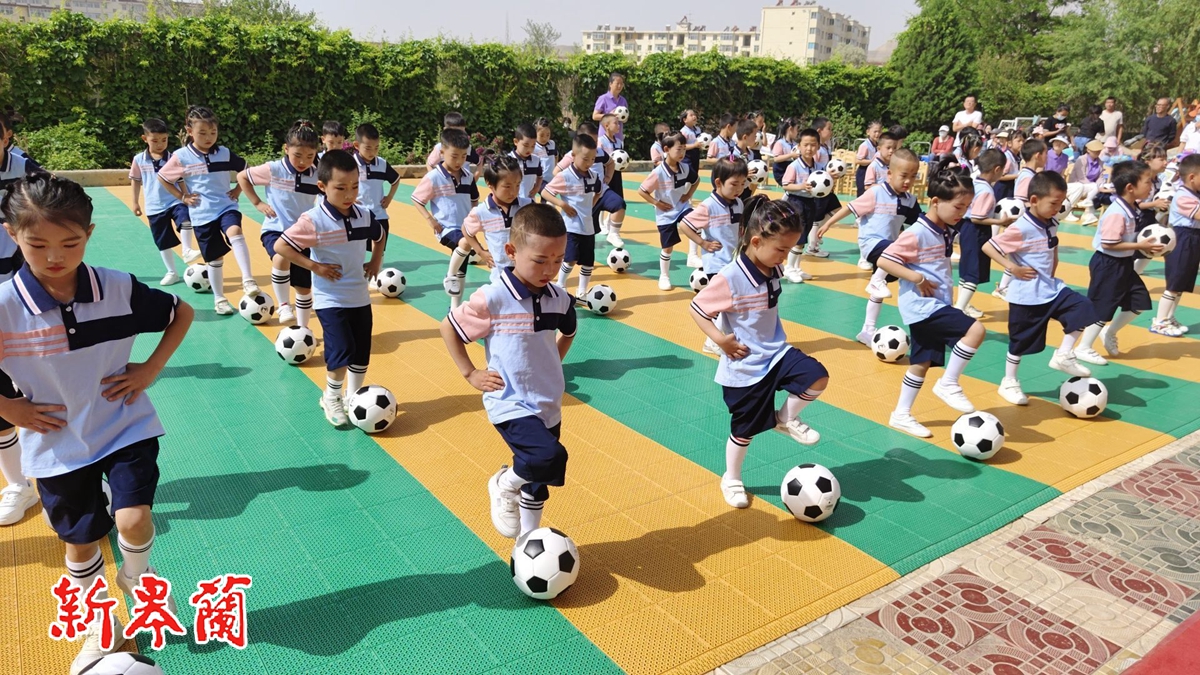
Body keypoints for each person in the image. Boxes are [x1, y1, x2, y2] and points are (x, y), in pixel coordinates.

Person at [0, 174, 194, 672]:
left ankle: (137, 576)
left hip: (122, 424)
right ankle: (98, 629)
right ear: (11, 234)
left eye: (71, 242)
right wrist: (9, 409)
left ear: (90, 233)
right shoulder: (3, 307)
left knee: (132, 519)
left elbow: (182, 312)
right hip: (55, 441)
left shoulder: (116, 287)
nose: (54, 256)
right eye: (36, 244)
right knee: (81, 540)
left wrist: (149, 369)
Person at [441, 203, 577, 540]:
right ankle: (503, 484)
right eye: (541, 260)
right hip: (509, 401)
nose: (550, 269)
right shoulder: (493, 298)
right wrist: (470, 373)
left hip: (547, 401)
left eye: (558, 260)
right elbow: (450, 327)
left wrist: (553, 364)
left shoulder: (559, 299)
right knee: (548, 456)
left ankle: (526, 540)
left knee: (539, 478)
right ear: (512, 251)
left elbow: (570, 330)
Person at [691, 198, 830, 508]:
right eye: (781, 249)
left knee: (817, 376)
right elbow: (697, 308)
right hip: (744, 367)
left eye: (790, 248)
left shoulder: (771, 264)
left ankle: (784, 419)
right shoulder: (731, 277)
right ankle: (732, 478)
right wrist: (720, 341)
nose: (786, 256)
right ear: (756, 241)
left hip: (776, 353)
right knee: (743, 432)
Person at [276, 150, 385, 426]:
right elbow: (281, 246)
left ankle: (353, 395)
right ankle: (332, 397)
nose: (349, 194)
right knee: (341, 350)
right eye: (341, 188)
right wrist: (315, 267)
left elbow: (380, 234)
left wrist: (375, 261)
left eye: (355, 186)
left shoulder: (364, 215)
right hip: (330, 297)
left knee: (361, 351)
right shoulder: (313, 220)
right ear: (322, 187)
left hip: (359, 294)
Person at [877, 170, 981, 437]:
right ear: (935, 202)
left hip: (932, 304)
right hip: (923, 307)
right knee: (976, 331)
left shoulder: (945, 229)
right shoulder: (917, 233)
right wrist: (917, 276)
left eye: (966, 207)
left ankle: (900, 414)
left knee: (920, 363)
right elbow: (884, 260)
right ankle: (948, 383)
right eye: (958, 206)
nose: (962, 212)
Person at [985, 171, 1099, 405]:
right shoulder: (1021, 228)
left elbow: (1052, 247)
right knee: (1019, 342)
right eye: (1054, 203)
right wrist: (1012, 267)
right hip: (1026, 294)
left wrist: (1054, 266)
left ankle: (1064, 354)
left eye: (1061, 203)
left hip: (1051, 288)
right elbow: (989, 246)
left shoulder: (1053, 222)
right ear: (1035, 200)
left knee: (1084, 309)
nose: (1058, 208)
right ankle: (1009, 381)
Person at [155, 105, 255, 316]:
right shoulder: (181, 156)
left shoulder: (225, 153)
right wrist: (182, 197)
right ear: (189, 131)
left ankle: (248, 280)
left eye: (213, 132)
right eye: (202, 133)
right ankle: (220, 299)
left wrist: (238, 189)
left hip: (226, 206)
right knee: (215, 259)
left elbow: (246, 169)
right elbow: (163, 178)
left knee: (235, 232)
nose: (209, 137)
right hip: (201, 215)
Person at [815, 148, 921, 343]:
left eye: (913, 177)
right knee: (899, 249)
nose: (908, 181)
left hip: (890, 254)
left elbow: (922, 223)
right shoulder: (876, 193)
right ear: (890, 174)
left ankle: (867, 330)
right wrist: (828, 223)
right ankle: (876, 281)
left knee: (877, 294)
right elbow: (850, 207)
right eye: (904, 176)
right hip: (872, 245)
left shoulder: (910, 201)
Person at [0, 116, 46, 528]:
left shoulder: (26, 169)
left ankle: (71, 474)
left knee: (47, 387)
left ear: (6, 135)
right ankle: (19, 485)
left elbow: (52, 208)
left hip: (24, 294)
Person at [236, 120, 322, 327]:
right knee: (281, 257)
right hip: (276, 230)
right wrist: (257, 202)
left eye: (310, 157)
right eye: (298, 155)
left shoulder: (317, 175)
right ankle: (284, 304)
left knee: (304, 287)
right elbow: (242, 177)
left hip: (303, 237)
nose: (303, 161)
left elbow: (328, 194)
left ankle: (303, 328)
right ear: (286, 149)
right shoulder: (273, 169)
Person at [1075, 161, 1161, 366]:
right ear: (1130, 187)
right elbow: (1109, 243)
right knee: (1103, 307)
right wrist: (1139, 245)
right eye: (1148, 182)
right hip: (1108, 264)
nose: (1151, 186)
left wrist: (1140, 246)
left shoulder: (1130, 207)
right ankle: (1083, 347)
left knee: (1139, 301)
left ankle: (1109, 331)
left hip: (1122, 264)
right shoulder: (1116, 212)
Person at [679, 158, 749, 353]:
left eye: (742, 184)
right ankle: (713, 342)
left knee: (732, 303)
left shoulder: (738, 203)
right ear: (718, 183)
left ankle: (725, 336)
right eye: (734, 184)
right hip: (717, 263)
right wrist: (703, 243)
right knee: (721, 304)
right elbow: (685, 225)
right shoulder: (708, 206)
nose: (739, 189)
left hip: (733, 262)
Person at [412, 128, 481, 309]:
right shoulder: (434, 177)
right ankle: (448, 275)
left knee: (462, 271)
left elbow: (475, 201)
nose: (459, 161)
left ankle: (454, 307)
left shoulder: (468, 177)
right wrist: (430, 220)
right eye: (454, 156)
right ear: (442, 153)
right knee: (464, 245)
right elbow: (417, 200)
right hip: (446, 228)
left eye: (464, 157)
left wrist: (475, 221)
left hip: (465, 228)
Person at [129, 118, 201, 287]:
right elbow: (135, 181)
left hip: (175, 201)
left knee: (185, 219)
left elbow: (181, 179)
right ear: (144, 138)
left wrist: (185, 196)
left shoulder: (174, 158)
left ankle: (187, 250)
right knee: (163, 241)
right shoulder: (139, 159)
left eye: (164, 140)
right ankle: (172, 272)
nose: (160, 144)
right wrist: (135, 202)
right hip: (154, 206)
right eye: (155, 140)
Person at [955, 149, 1017, 318]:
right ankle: (958, 311)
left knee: (966, 271)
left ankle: (963, 304)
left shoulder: (975, 183)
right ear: (997, 170)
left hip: (966, 230)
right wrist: (1000, 222)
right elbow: (977, 218)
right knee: (973, 274)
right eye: (1003, 170)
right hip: (976, 232)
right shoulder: (988, 192)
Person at [542, 134, 603, 302]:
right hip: (571, 226)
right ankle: (561, 285)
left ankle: (582, 291)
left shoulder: (593, 176)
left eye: (592, 159)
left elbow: (599, 191)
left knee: (588, 262)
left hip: (588, 226)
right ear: (573, 156)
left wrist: (591, 205)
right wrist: (562, 205)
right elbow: (546, 192)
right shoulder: (565, 176)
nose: (589, 162)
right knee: (570, 258)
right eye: (585, 159)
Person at [637, 132, 699, 291]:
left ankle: (692, 256)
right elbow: (642, 191)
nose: (682, 153)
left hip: (681, 207)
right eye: (679, 149)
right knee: (668, 247)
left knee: (694, 222)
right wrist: (657, 203)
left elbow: (696, 180)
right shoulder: (658, 172)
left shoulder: (685, 167)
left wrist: (688, 195)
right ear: (666, 149)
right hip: (665, 213)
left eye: (684, 149)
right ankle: (664, 275)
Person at [458, 156, 530, 292]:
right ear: (490, 184)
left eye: (517, 185)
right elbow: (466, 229)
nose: (513, 191)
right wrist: (480, 251)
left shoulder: (527, 206)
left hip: (526, 271)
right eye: (507, 186)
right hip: (500, 274)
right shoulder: (481, 212)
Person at [1151, 153, 1200, 337]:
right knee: (1174, 282)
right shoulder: (1183, 196)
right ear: (1192, 177)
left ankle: (1170, 317)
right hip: (1182, 238)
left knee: (1183, 282)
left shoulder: (1194, 193)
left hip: (1194, 237)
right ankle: (1160, 321)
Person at [780, 128, 825, 283]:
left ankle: (797, 267)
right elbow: (786, 185)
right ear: (799, 146)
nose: (809, 148)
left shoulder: (819, 167)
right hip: (796, 202)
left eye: (813, 145)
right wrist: (801, 186)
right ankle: (789, 268)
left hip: (811, 202)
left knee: (804, 235)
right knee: (798, 237)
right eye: (805, 145)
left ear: (818, 146)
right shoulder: (794, 166)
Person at [351, 123, 400, 253]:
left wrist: (389, 197)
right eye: (368, 148)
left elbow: (395, 180)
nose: (372, 152)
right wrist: (350, 198)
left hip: (379, 216)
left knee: (378, 251)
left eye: (376, 148)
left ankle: (377, 272)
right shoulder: (350, 164)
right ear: (356, 145)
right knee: (356, 251)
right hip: (356, 215)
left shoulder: (382, 164)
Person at [1065, 139, 1105, 225]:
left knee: (1097, 187)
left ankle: (1088, 213)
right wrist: (1095, 186)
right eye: (1095, 150)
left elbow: (1100, 177)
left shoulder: (1100, 162)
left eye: (1098, 150)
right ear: (1088, 150)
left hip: (1092, 189)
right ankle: (1086, 209)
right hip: (1078, 186)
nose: (1097, 152)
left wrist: (1099, 185)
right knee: (1094, 187)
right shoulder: (1081, 159)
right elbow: (1081, 177)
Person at [509, 123, 544, 200]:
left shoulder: (536, 160)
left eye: (533, 146)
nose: (529, 149)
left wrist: (537, 188)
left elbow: (540, 176)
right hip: (512, 201)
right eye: (526, 145)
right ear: (516, 142)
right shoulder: (508, 159)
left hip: (529, 201)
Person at [592, 72, 627, 144]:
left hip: (618, 138)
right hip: (604, 138)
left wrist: (622, 117)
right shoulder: (603, 98)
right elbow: (595, 116)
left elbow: (625, 120)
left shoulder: (623, 100)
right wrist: (609, 116)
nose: (620, 86)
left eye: (621, 84)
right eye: (617, 83)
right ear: (610, 84)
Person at [854, 121, 882, 196]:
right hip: (864, 172)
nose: (877, 134)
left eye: (879, 132)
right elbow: (857, 161)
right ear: (868, 132)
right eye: (875, 131)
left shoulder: (878, 145)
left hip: (873, 172)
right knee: (863, 195)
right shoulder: (865, 145)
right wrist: (872, 161)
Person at [770, 118, 799, 187]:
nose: (797, 132)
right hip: (781, 170)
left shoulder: (795, 144)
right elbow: (776, 159)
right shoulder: (780, 143)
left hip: (791, 169)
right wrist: (791, 155)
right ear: (790, 129)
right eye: (796, 129)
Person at [533, 117, 558, 188]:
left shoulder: (552, 144)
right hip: (540, 179)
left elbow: (556, 156)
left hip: (552, 179)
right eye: (541, 135)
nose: (545, 138)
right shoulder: (534, 147)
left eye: (548, 135)